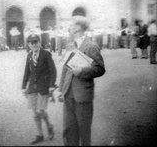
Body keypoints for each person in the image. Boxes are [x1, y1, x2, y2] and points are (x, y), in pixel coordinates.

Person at [58, 16, 106, 146]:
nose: (69, 27)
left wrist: (82, 71)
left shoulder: (91, 46)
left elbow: (100, 69)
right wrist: (61, 89)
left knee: (84, 130)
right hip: (68, 94)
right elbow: (65, 69)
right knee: (68, 129)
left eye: (71, 25)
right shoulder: (70, 45)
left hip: (83, 95)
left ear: (78, 27)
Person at [22, 34, 57, 145]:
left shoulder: (46, 54)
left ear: (40, 42)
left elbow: (53, 71)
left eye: (36, 42)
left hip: (44, 86)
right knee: (35, 113)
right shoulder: (29, 56)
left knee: (40, 110)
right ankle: (40, 135)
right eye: (32, 43)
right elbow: (27, 72)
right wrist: (23, 86)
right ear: (28, 44)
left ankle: (49, 126)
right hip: (32, 87)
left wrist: (51, 85)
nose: (34, 44)